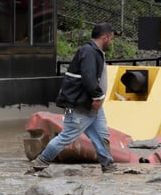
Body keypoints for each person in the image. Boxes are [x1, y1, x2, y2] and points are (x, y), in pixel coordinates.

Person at [29, 22, 118, 173]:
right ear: (105, 37)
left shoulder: (93, 51)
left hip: (90, 105)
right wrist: (98, 97)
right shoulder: (89, 52)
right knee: (67, 136)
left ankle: (108, 166)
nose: (111, 42)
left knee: (101, 135)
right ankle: (40, 163)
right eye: (111, 38)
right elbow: (89, 78)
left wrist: (98, 100)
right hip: (80, 105)